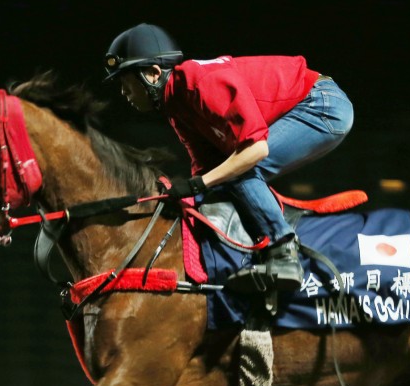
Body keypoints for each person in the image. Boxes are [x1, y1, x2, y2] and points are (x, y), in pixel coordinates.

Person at [103, 23, 354, 292]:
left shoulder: (198, 81)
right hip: (306, 108)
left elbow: (255, 151)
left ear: (153, 73)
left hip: (323, 105)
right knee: (223, 179)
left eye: (124, 80)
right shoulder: (175, 107)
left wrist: (200, 184)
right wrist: (185, 193)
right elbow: (206, 169)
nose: (123, 92)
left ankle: (283, 253)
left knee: (239, 171)